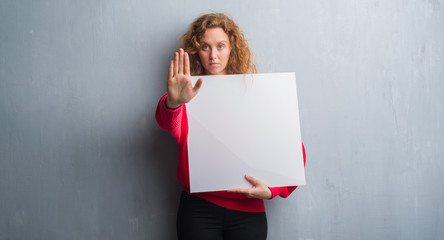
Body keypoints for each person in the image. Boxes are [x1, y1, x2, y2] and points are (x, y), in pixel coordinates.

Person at [155, 12, 306, 240]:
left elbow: (292, 151)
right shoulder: (188, 92)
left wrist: (274, 191)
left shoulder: (256, 92)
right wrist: (173, 103)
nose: (213, 55)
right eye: (205, 47)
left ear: (232, 48)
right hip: (198, 208)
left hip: (249, 211)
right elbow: (170, 125)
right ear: (197, 51)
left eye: (221, 46)